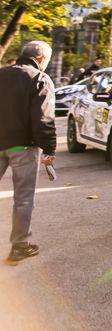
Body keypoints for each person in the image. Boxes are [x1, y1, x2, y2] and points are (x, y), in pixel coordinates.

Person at [0, 41, 57, 264]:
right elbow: (43, 118)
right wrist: (49, 148)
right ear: (42, 58)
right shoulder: (39, 79)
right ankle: (19, 246)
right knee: (23, 198)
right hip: (23, 146)